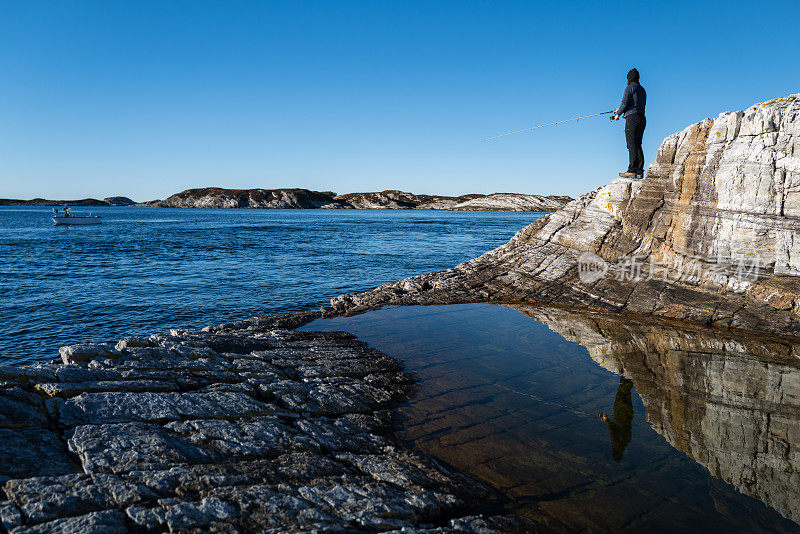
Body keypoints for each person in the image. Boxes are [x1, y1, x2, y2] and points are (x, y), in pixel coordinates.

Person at [613, 68, 647, 179]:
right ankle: (639, 171)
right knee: (638, 144)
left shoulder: (629, 88)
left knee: (631, 144)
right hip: (641, 118)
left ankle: (632, 170)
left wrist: (618, 114)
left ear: (629, 79)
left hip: (632, 119)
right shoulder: (642, 89)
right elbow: (633, 104)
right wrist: (619, 110)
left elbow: (625, 103)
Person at [599, 377, 634, 462]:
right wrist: (606, 419)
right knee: (620, 395)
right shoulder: (615, 444)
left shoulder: (625, 443)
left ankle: (628, 378)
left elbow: (625, 429)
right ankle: (626, 377)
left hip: (628, 416)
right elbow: (611, 430)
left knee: (627, 395)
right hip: (620, 415)